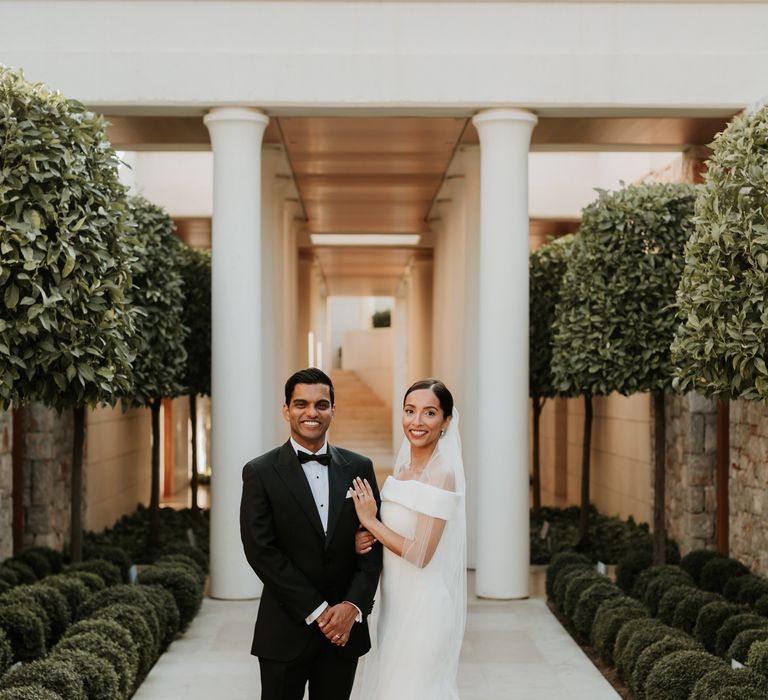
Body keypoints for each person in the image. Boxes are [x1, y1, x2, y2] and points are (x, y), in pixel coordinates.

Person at [240, 367, 383, 700]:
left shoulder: (359, 467)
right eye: (301, 404)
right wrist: (319, 611)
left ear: (333, 409)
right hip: (285, 630)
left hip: (344, 634)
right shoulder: (260, 472)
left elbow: (373, 543)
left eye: (321, 404)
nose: (311, 413)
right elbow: (261, 550)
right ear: (286, 409)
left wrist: (351, 607)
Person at [351, 378, 466, 700]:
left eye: (429, 413)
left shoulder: (442, 474)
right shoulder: (401, 470)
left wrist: (371, 522)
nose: (416, 421)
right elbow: (392, 535)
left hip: (425, 608)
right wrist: (365, 537)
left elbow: (420, 554)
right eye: (409, 411)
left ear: (445, 422)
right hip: (394, 605)